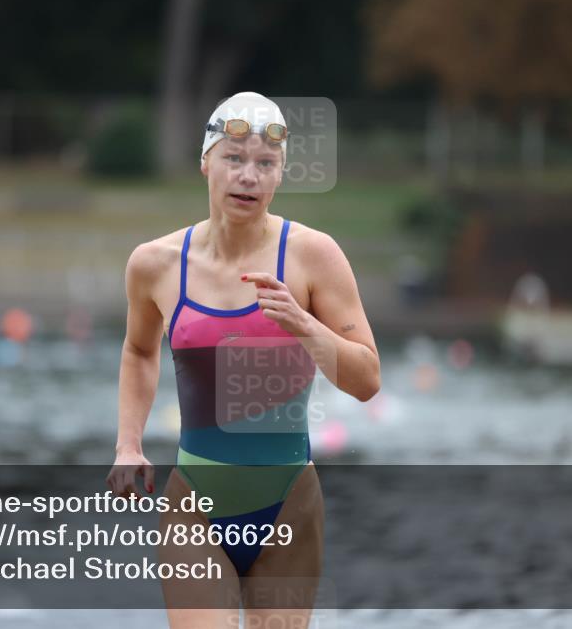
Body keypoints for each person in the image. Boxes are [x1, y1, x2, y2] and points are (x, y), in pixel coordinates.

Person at [107, 92, 380, 628]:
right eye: (233, 158)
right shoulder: (155, 264)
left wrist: (303, 324)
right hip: (195, 505)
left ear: (281, 175)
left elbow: (367, 379)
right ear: (206, 163)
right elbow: (139, 350)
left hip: (288, 507)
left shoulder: (313, 255)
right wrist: (128, 443)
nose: (248, 176)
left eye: (265, 163)